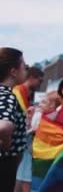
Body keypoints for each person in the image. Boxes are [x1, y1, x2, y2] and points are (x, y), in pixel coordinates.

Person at [0, 47, 28, 192]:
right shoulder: (7, 95)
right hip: (5, 167)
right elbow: (4, 126)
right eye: (24, 66)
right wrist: (6, 144)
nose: (26, 70)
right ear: (13, 71)